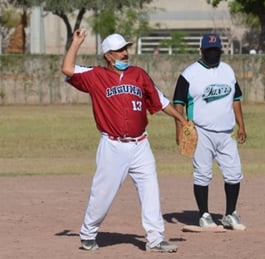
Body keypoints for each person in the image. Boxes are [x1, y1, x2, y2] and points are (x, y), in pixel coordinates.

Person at [61, 30, 188, 253]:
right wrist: (76, 43)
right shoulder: (96, 76)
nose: (125, 53)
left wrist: (181, 119)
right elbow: (67, 69)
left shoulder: (139, 75)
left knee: (151, 191)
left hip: (141, 145)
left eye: (126, 49)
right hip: (113, 145)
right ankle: (88, 233)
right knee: (102, 194)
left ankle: (155, 239)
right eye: (120, 50)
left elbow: (160, 100)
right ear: (108, 55)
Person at [172, 33, 247, 231]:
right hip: (201, 131)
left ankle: (230, 214)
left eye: (216, 51)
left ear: (220, 51)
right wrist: (179, 130)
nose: (213, 54)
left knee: (234, 173)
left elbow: (236, 99)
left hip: (226, 132)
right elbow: (178, 104)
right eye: (209, 51)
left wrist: (242, 125)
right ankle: (204, 215)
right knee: (202, 173)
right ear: (201, 51)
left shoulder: (228, 71)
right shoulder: (189, 74)